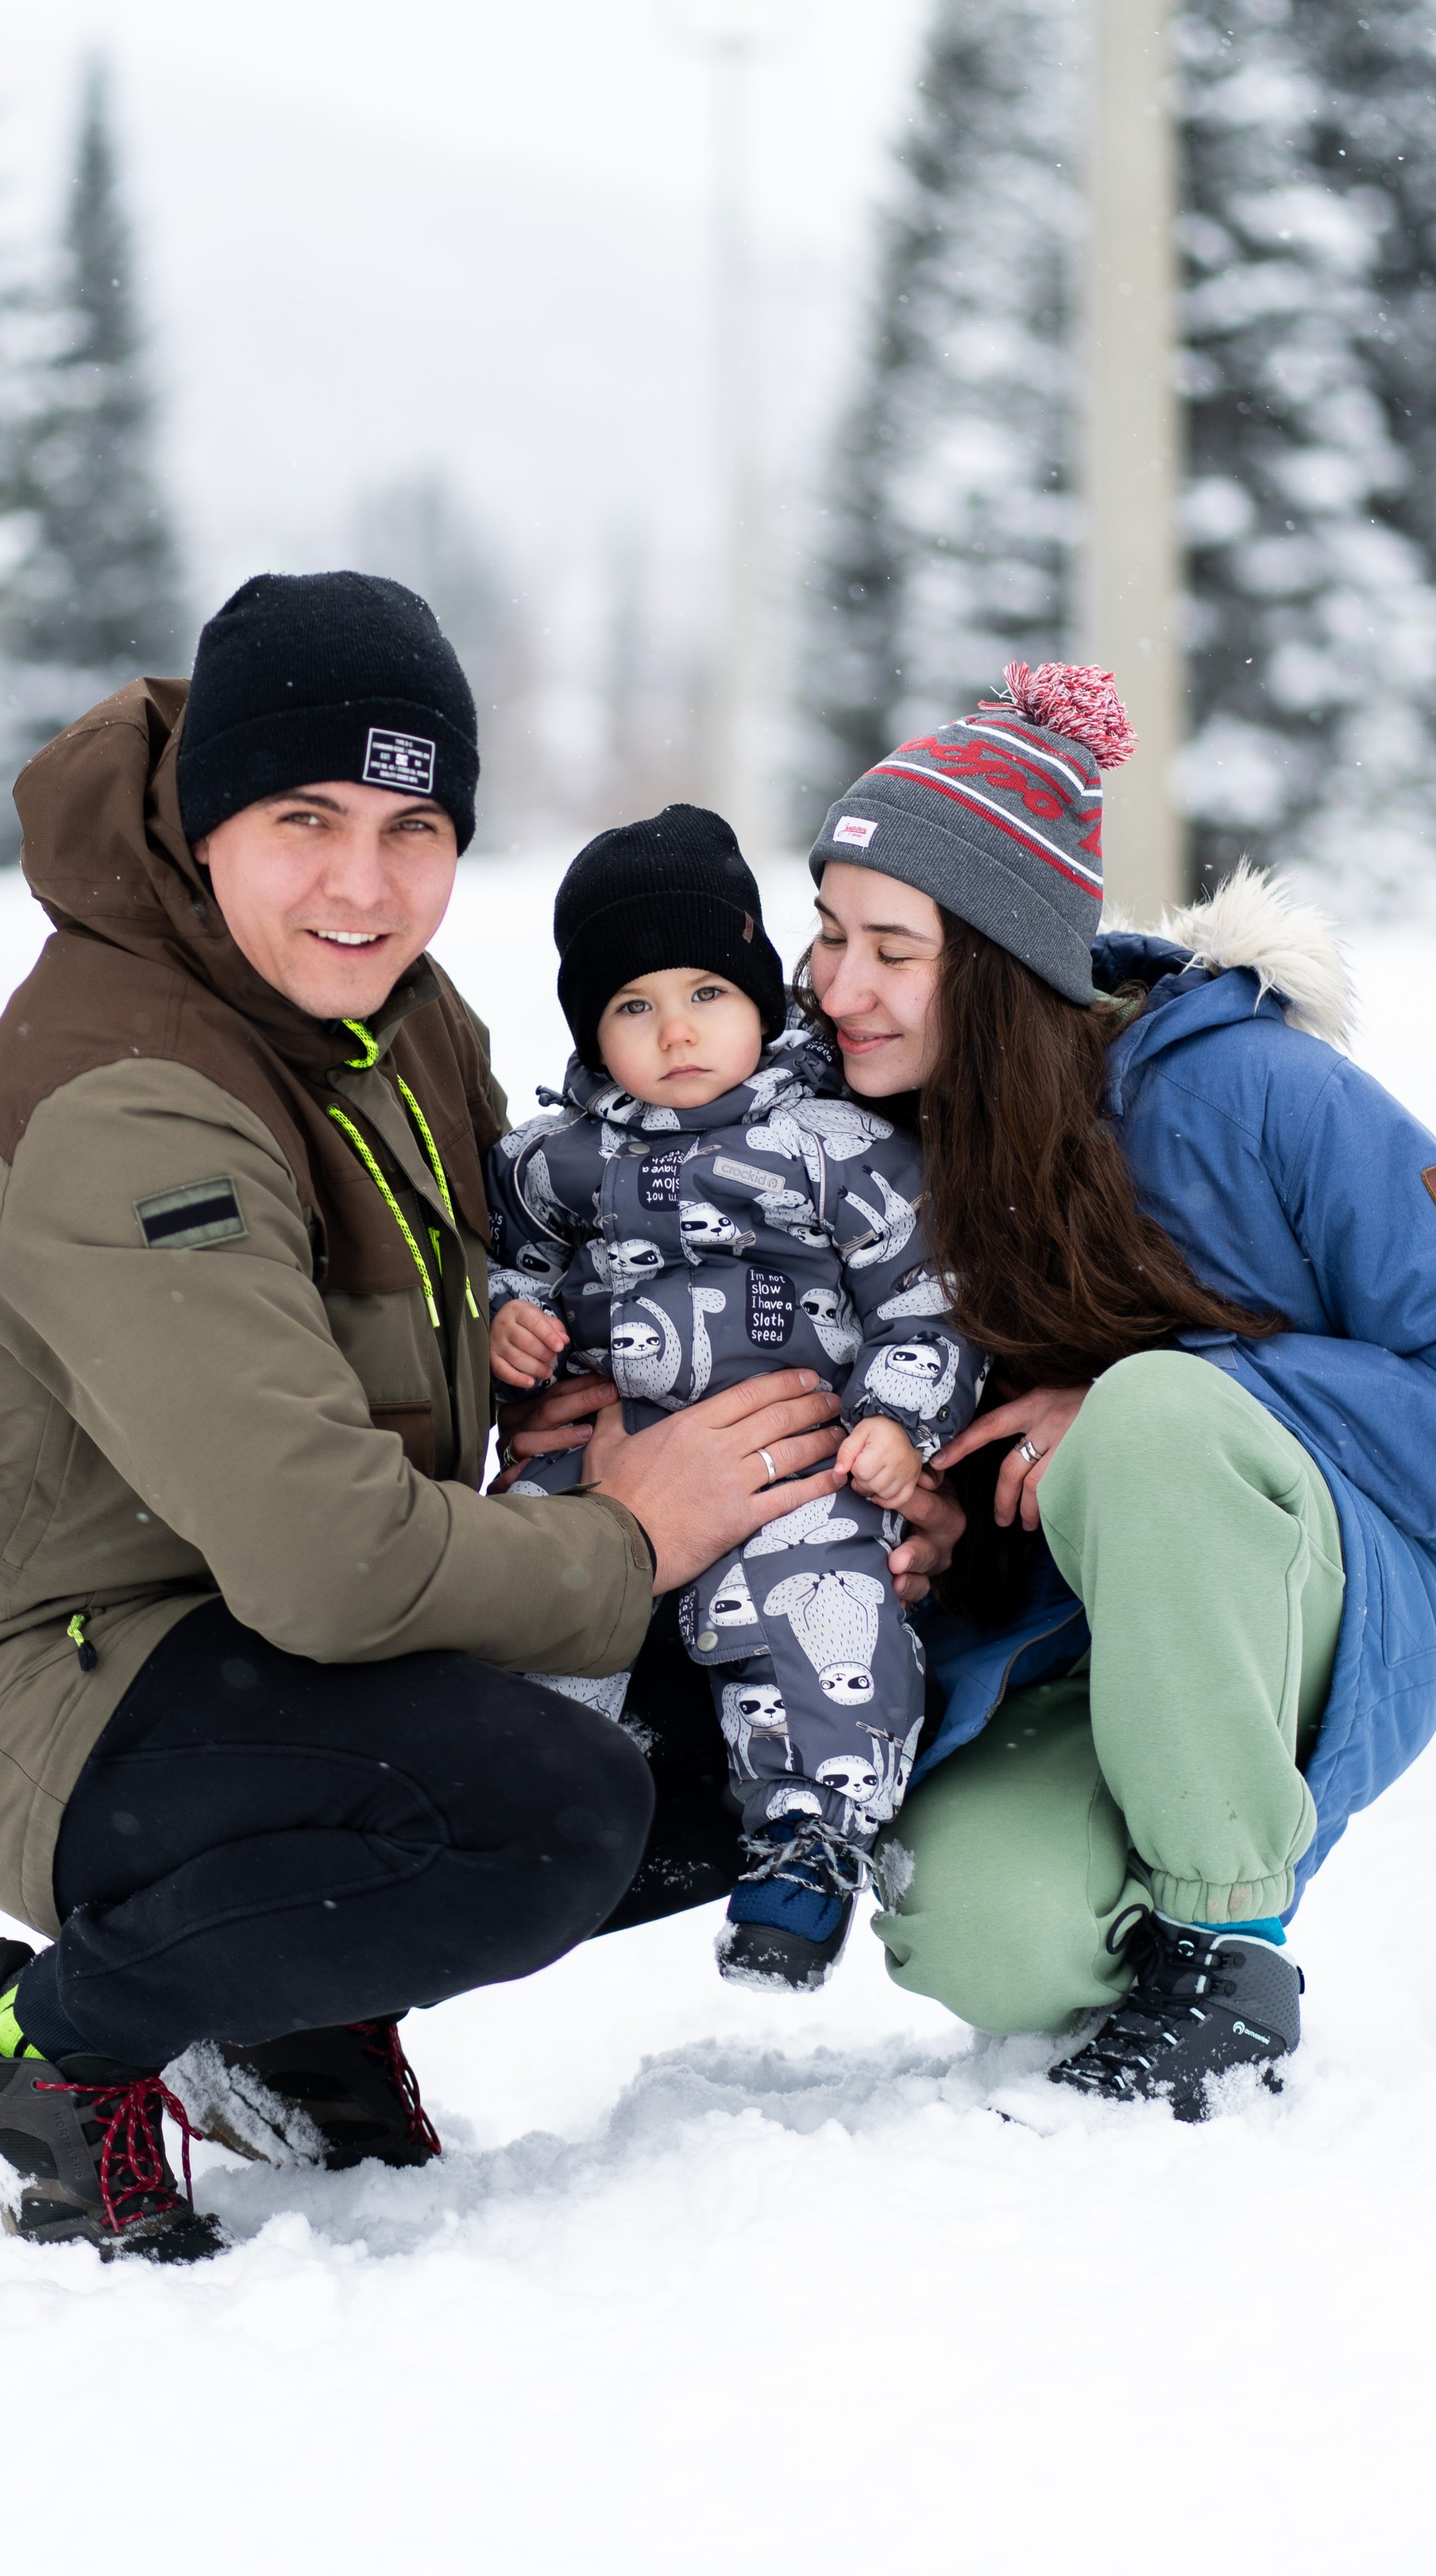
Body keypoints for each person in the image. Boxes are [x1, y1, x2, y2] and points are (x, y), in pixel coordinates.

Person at [0, 571, 873, 2260]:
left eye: (414, 827)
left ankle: (282, 2006)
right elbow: (326, 1562)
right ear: (203, 825)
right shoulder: (137, 1094)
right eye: (303, 817)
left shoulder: (385, 1017)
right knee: (544, 1810)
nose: (362, 882)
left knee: (771, 1697)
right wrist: (631, 1533)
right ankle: (42, 2046)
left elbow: (568, 1235)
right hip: (39, 1674)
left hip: (244, 1631)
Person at [797, 660, 1436, 2118]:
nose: (843, 987)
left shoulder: (1260, 1091)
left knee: (1152, 1418)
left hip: (1306, 1600)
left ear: (1003, 956)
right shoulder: (865, 1136)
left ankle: (1228, 1949)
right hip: (1076, 1630)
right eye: (829, 936)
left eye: (893, 950)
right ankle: (1145, 1907)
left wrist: (1167, 1389)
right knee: (984, 1932)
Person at [484, 803, 985, 1990]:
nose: (676, 1033)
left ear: (763, 996)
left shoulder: (834, 1144)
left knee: (819, 1606)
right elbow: (502, 1264)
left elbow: (926, 1300)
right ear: (590, 1031)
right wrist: (503, 1325)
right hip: (604, 1456)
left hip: (790, 1452)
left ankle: (808, 1847)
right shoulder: (552, 1160)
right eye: (632, 1008)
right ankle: (513, 1797)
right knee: (528, 1606)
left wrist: (895, 1424)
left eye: (707, 992)